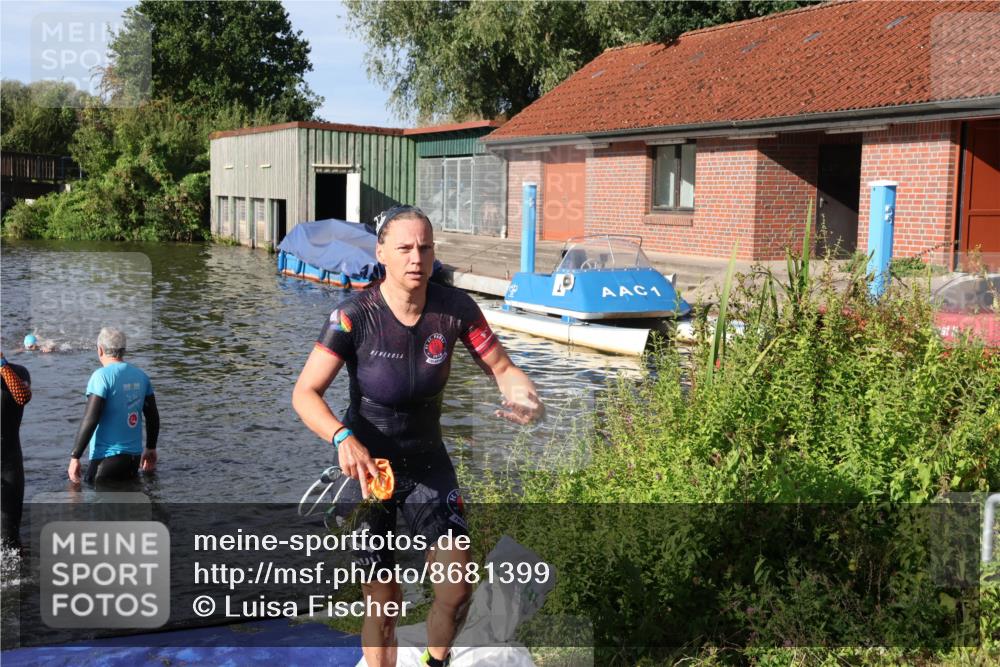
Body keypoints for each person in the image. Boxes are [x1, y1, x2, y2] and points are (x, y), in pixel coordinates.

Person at [293, 205, 543, 667]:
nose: (416, 257)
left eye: (424, 247)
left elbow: (504, 370)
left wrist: (526, 397)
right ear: (381, 252)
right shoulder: (352, 317)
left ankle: (435, 662)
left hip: (428, 463)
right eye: (405, 247)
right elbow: (305, 393)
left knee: (456, 587)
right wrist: (341, 436)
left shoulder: (455, 311)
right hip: (372, 472)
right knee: (384, 605)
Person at [67, 328, 159, 486]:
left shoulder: (101, 377)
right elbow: (152, 416)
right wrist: (151, 448)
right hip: (133, 460)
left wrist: (75, 457)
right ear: (124, 350)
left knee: (90, 502)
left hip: (106, 460)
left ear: (100, 350)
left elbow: (91, 418)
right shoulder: (141, 376)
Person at [1, 351, 32, 549]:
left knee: (9, 539)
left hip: (8, 464)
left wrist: (2, 365)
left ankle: (18, 578)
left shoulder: (18, 372)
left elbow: (23, 397)